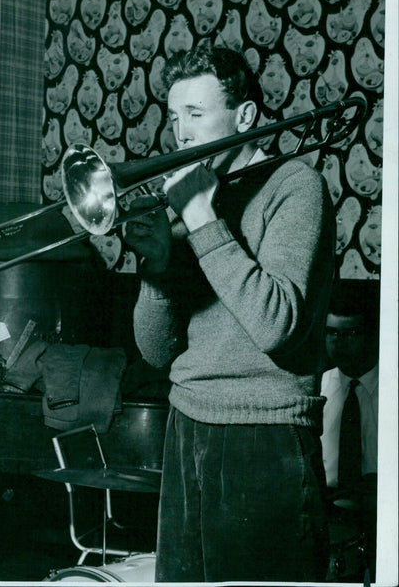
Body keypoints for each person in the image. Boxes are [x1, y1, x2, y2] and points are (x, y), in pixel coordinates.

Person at [125, 43, 335, 582]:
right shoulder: (197, 205)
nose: (182, 134)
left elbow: (276, 325)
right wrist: (156, 269)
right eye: (176, 118)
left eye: (196, 115)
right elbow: (154, 353)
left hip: (263, 435)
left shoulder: (295, 186)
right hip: (186, 424)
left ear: (243, 117)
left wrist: (199, 218)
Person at [320, 279, 380, 579]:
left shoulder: (390, 388)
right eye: (332, 333)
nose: (339, 342)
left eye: (351, 333)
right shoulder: (317, 389)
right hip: (329, 521)